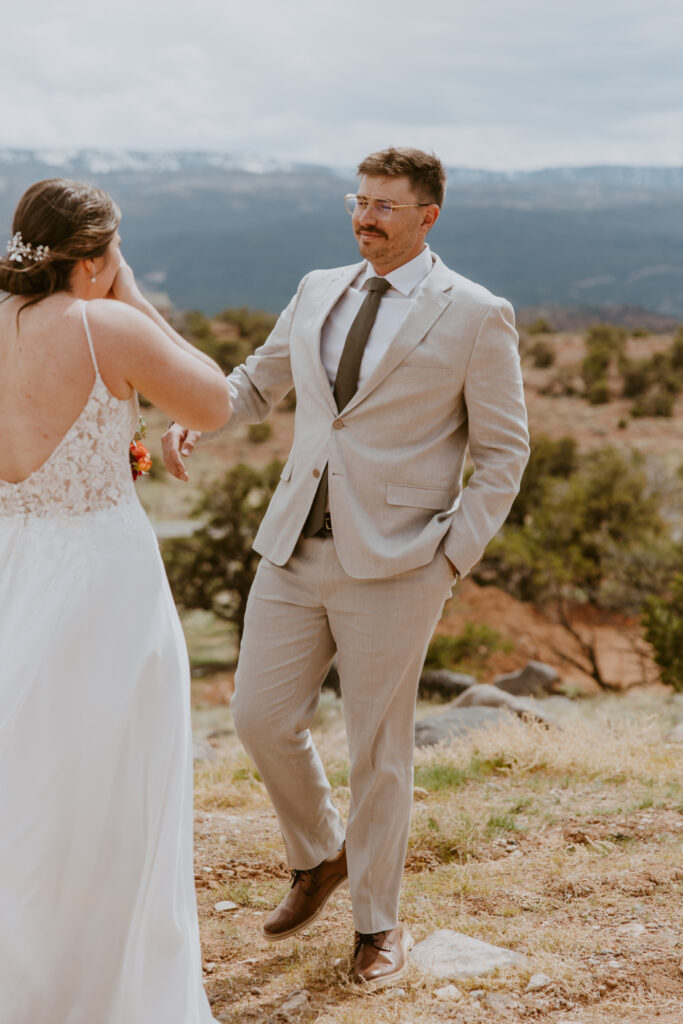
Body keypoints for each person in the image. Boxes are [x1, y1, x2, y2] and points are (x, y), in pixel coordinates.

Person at [163, 147, 529, 989]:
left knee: (380, 747)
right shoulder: (317, 287)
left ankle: (377, 925)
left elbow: (505, 452)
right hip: (293, 546)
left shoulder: (475, 314)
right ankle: (319, 853)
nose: (364, 217)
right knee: (258, 717)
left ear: (427, 216)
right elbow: (257, 383)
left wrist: (448, 558)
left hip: (400, 564)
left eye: (385, 207)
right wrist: (196, 418)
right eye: (358, 201)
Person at [0, 179, 231, 1024]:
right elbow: (214, 398)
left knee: (25, 783)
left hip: (13, 569)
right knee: (119, 785)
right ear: (93, 257)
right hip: (104, 584)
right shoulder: (105, 325)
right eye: (114, 251)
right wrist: (127, 292)